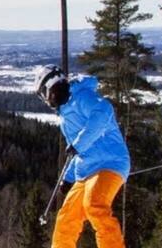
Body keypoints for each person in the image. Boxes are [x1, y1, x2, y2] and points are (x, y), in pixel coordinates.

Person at [38, 68, 131, 248]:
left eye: (45, 94)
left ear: (52, 89)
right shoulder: (65, 115)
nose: (47, 100)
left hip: (110, 163)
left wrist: (78, 144)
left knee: (94, 204)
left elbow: (104, 111)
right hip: (85, 171)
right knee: (67, 217)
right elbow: (75, 150)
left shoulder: (81, 97)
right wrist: (68, 178)